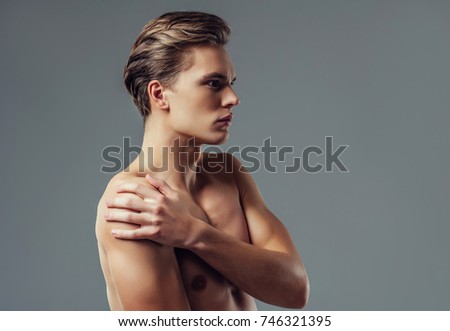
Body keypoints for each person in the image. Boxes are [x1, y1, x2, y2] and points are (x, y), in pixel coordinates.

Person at [95, 11, 310, 311]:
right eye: (213, 83)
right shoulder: (132, 202)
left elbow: (295, 291)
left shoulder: (230, 174)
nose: (233, 98)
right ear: (159, 95)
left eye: (230, 83)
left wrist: (193, 234)